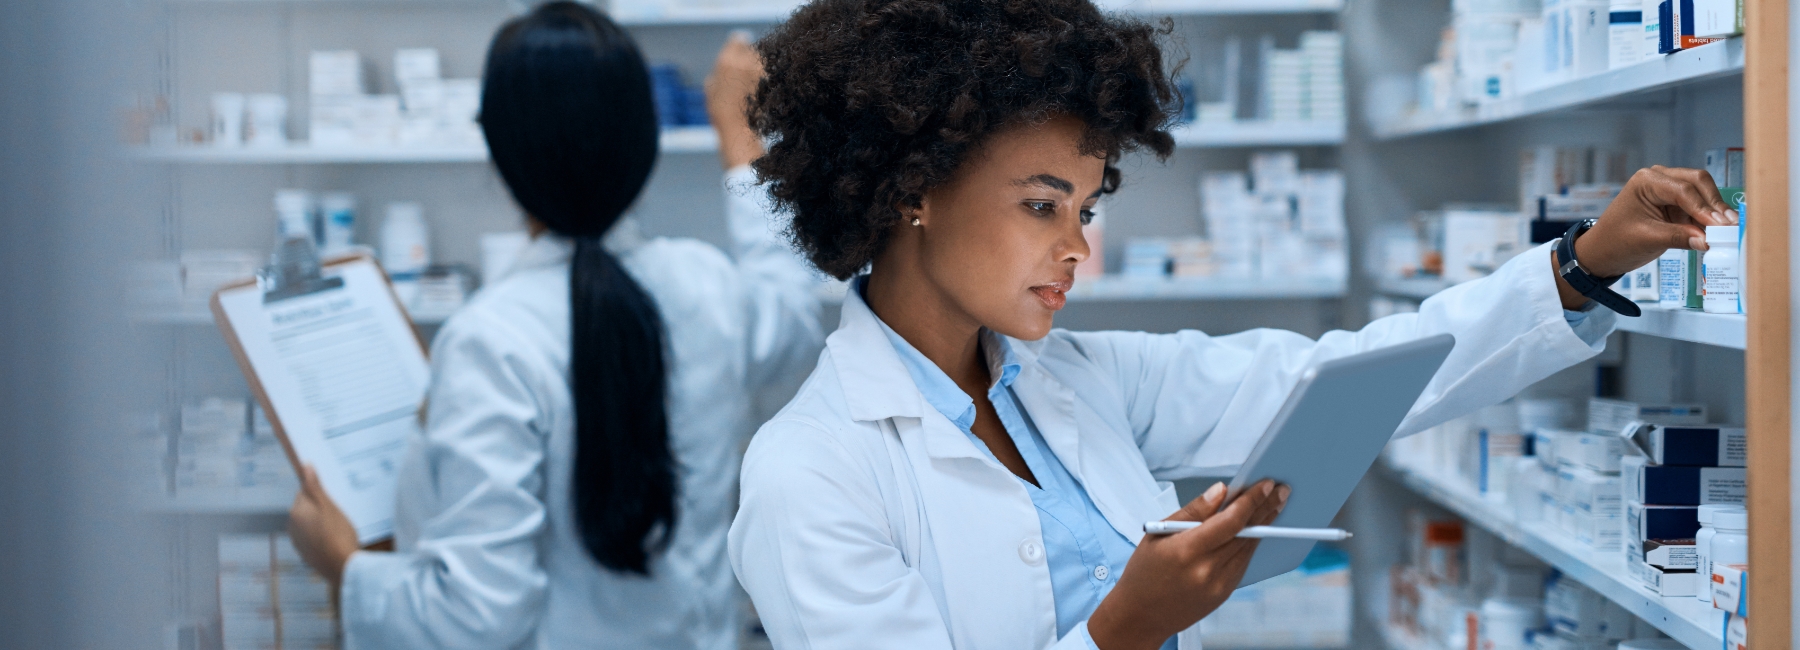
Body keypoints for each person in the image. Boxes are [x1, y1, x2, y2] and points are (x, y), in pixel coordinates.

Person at [725, 1, 1737, 649]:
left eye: (1086, 206)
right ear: (914, 191)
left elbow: (1354, 376)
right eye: (1042, 204)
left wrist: (1583, 260)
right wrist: (1124, 627)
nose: (1078, 245)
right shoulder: (809, 473)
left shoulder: (1072, 379)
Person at [284, 4, 823, 648]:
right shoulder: (707, 288)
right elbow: (793, 311)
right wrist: (741, 144)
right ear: (642, 142)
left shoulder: (492, 339)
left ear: (501, 150)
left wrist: (345, 567)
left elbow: (479, 617)